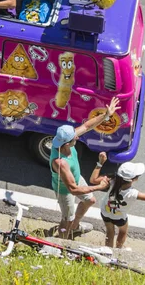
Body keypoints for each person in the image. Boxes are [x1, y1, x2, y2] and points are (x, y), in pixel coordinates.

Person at [50, 96, 121, 239]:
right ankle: (61, 241)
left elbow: (88, 125)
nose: (77, 137)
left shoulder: (63, 140)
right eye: (74, 138)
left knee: (90, 200)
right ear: (66, 143)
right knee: (67, 219)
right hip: (65, 190)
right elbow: (73, 189)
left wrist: (106, 114)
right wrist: (99, 187)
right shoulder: (60, 163)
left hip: (76, 179)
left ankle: (75, 228)